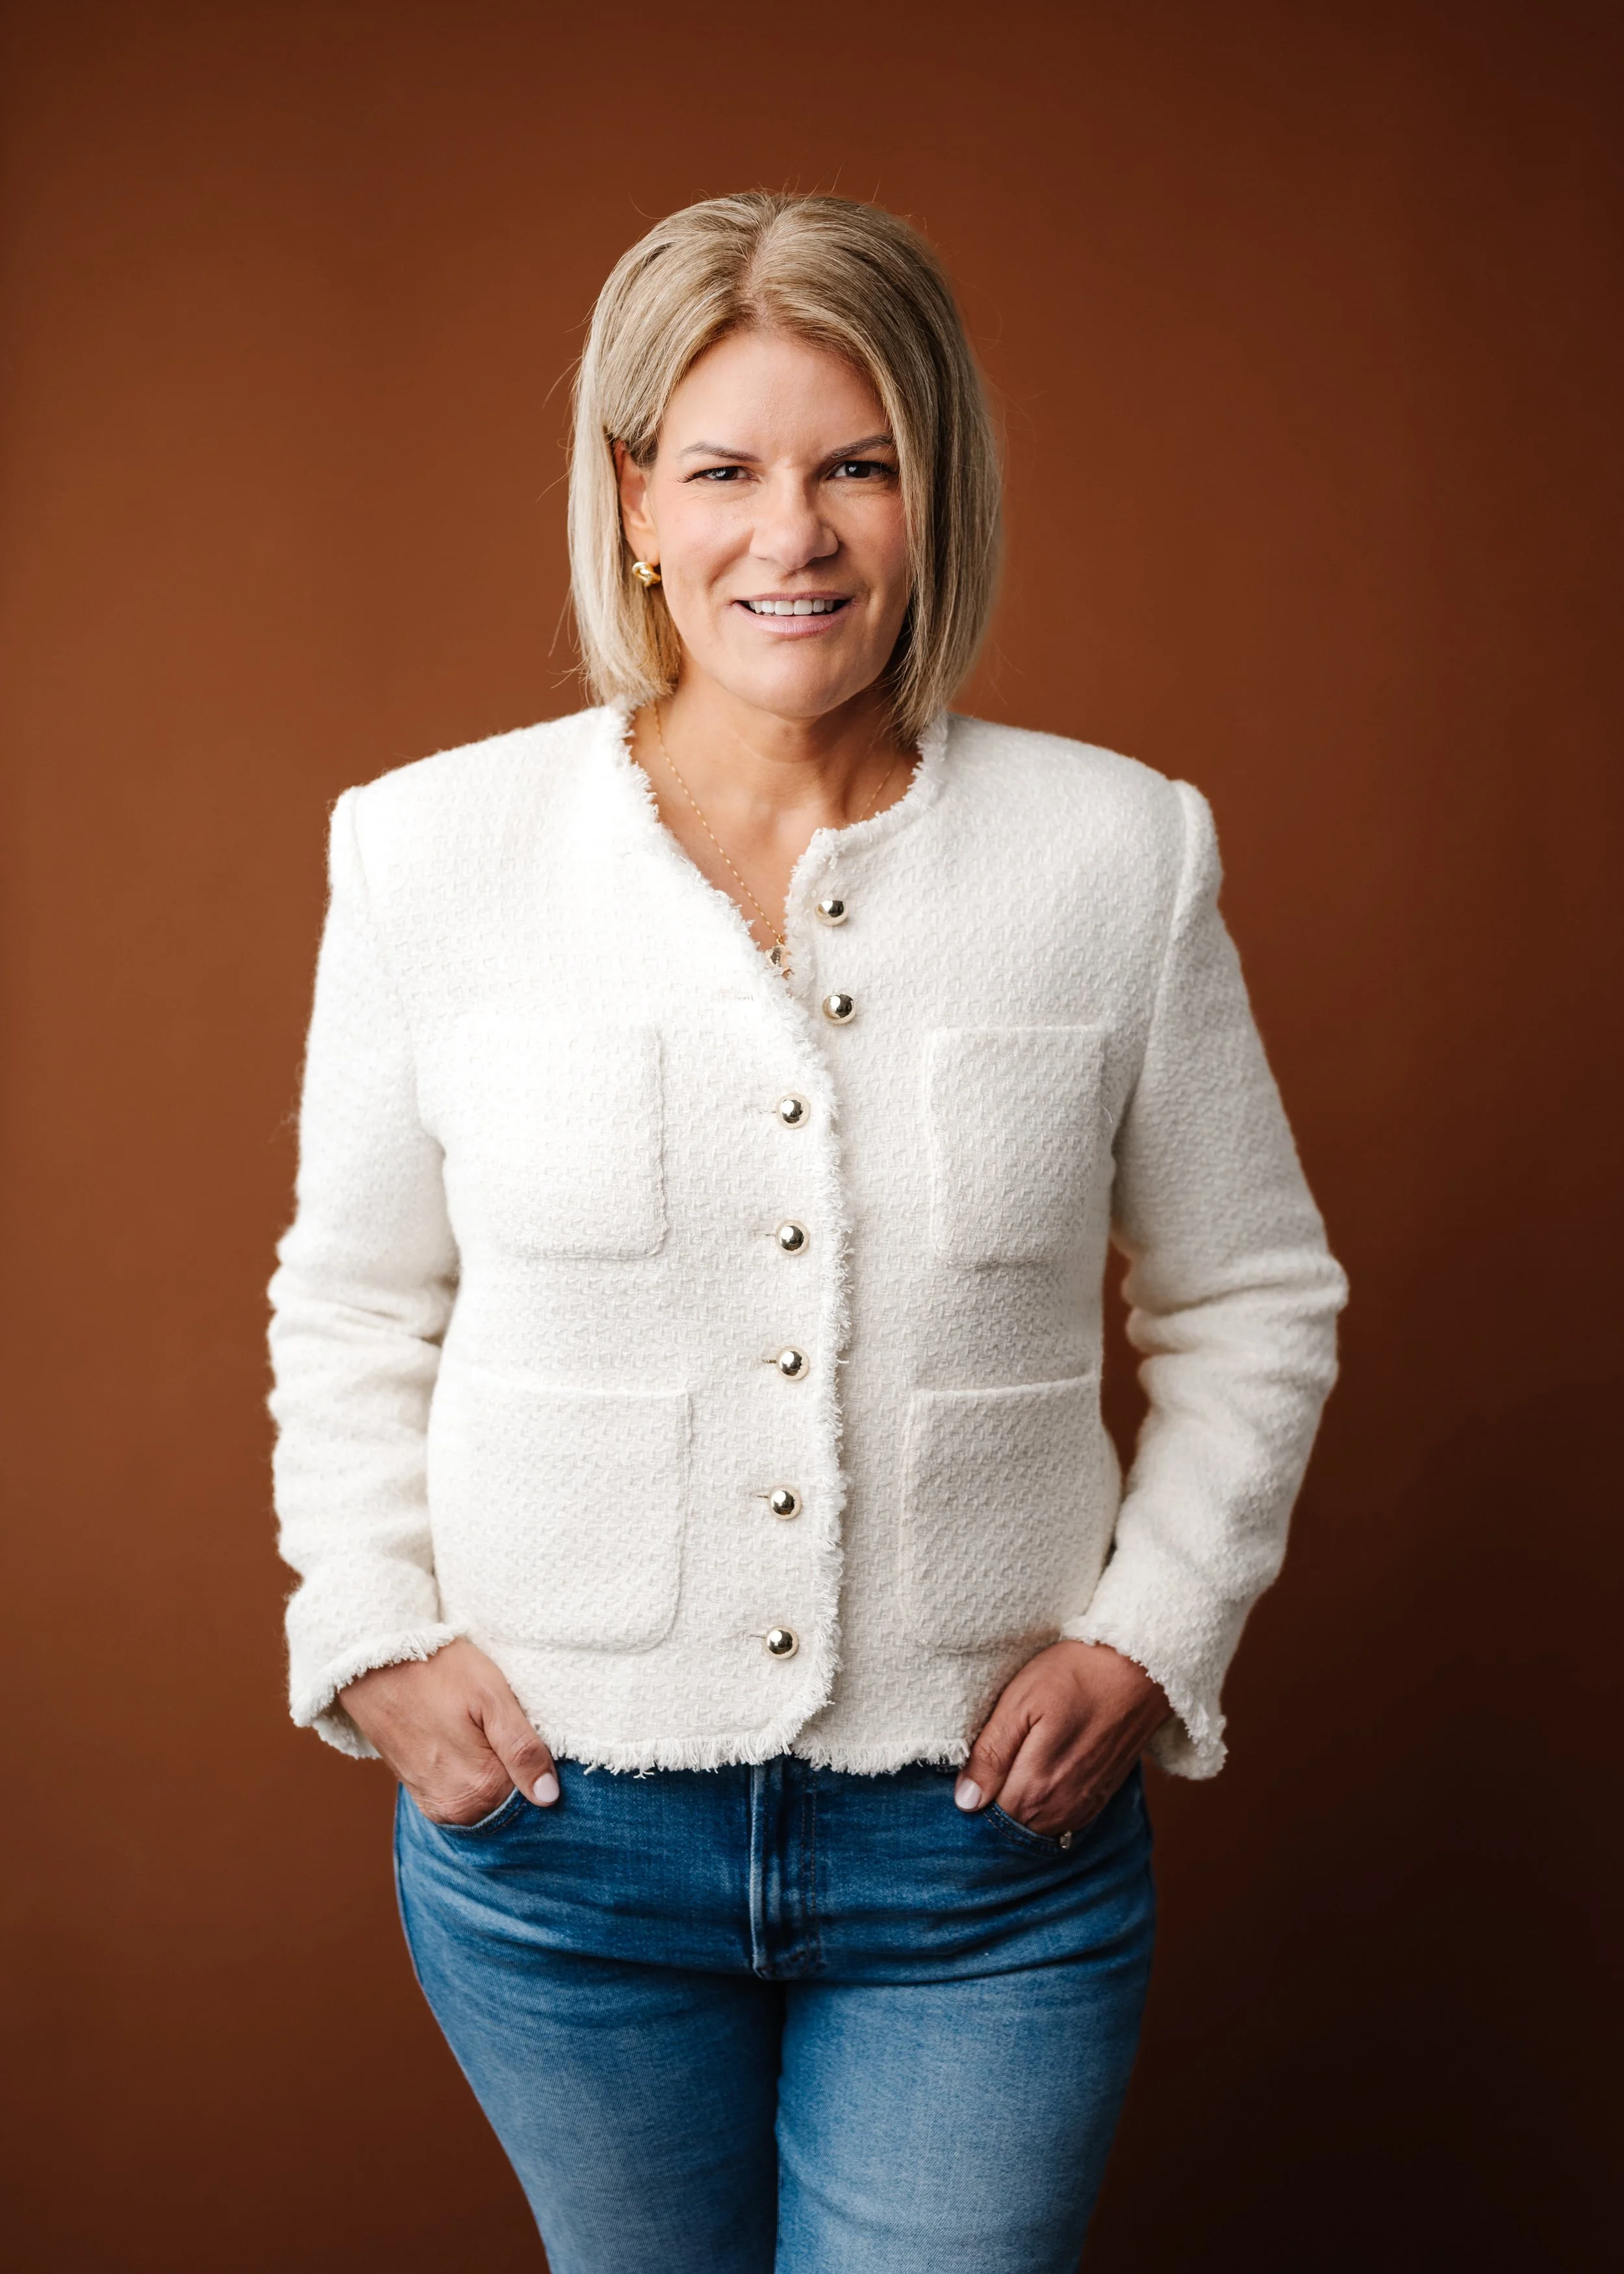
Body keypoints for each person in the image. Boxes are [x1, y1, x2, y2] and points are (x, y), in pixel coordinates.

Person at [268, 191, 1346, 2274]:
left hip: (980, 1858)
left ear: (935, 488)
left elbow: (1249, 1293)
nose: (797, 535)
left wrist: (1153, 1630)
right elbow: (354, 1296)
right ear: (632, 502)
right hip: (560, 1848)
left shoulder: (1114, 851)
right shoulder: (430, 851)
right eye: (727, 470)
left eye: (858, 464)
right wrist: (374, 1633)